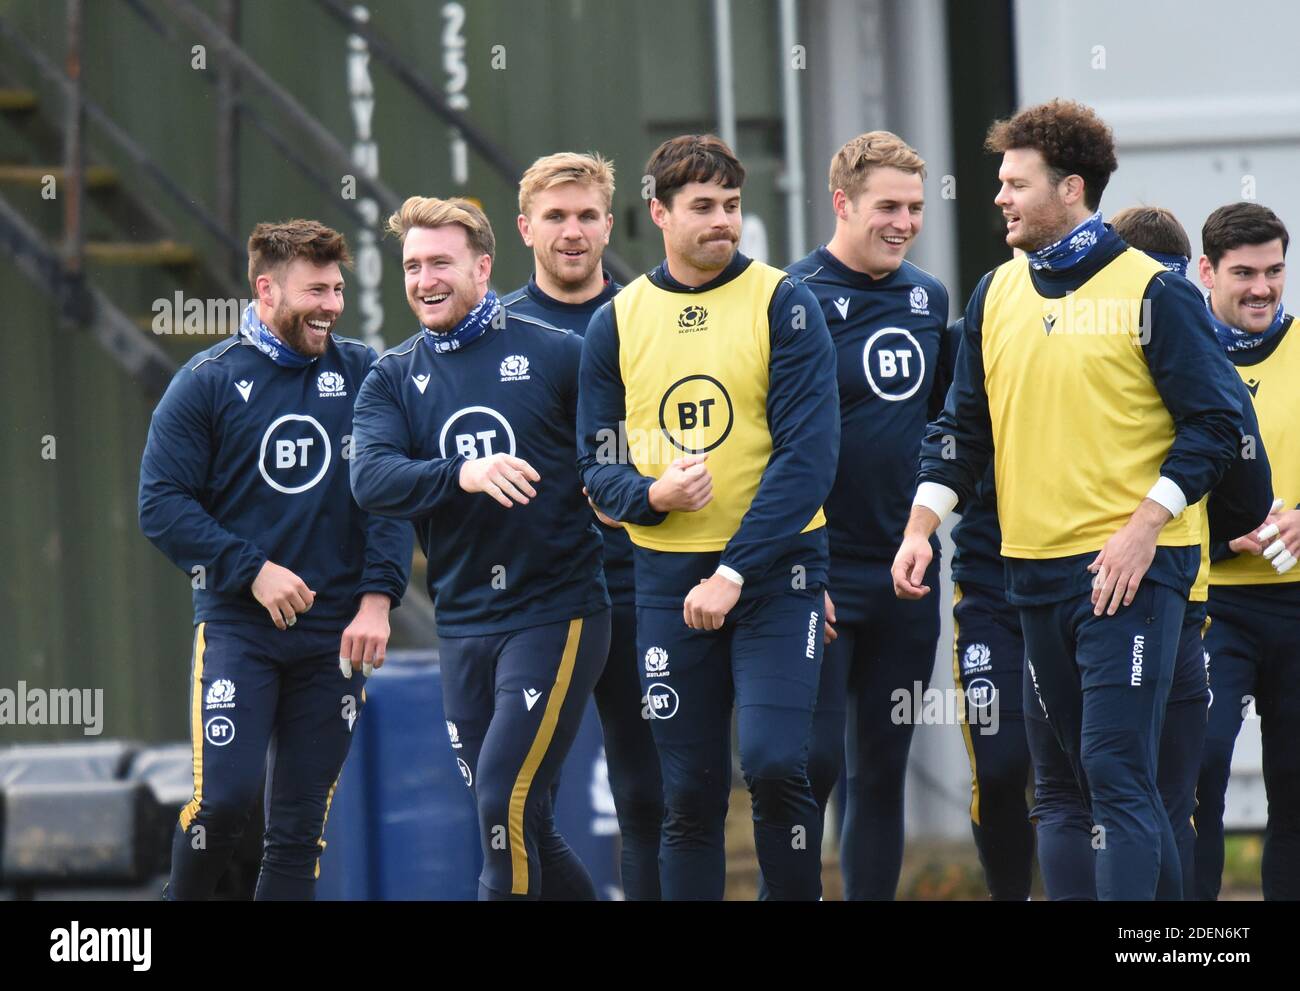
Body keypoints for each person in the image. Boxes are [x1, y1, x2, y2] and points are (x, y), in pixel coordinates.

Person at [892, 99, 1243, 900]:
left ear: (1071, 188)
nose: (999, 197)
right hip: (1029, 576)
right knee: (1058, 789)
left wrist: (1143, 527)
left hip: (1128, 576)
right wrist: (920, 526)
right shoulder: (993, 295)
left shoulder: (1154, 290)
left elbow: (1218, 425)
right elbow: (960, 431)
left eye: (1016, 183)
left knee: (1117, 776)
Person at [577, 134, 839, 900]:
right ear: (659, 213)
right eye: (702, 207)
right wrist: (650, 497)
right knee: (686, 792)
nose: (722, 220)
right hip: (665, 581)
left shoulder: (784, 303)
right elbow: (596, 466)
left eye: (731, 204)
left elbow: (808, 459)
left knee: (774, 762)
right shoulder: (616, 323)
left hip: (776, 573)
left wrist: (733, 569)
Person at [139, 219, 412, 900]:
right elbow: (161, 505)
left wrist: (379, 598)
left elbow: (389, 494)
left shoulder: (364, 373)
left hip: (335, 637)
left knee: (298, 829)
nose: (330, 304)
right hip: (239, 630)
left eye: (338, 288)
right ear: (265, 289)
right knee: (224, 805)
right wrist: (252, 569)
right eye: (315, 288)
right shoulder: (204, 382)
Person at [349, 196, 610, 900]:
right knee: (525, 823)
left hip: (556, 610)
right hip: (462, 623)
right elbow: (370, 477)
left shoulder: (557, 353)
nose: (425, 279)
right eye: (412, 265)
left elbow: (610, 455)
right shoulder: (392, 376)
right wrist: (462, 473)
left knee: (503, 803)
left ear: (483, 266)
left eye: (441, 262)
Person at [784, 131, 950, 899]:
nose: (905, 221)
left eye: (915, 207)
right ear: (842, 202)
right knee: (812, 765)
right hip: (820, 573)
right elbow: (771, 447)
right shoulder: (791, 298)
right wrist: (797, 565)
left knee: (881, 770)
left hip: (907, 570)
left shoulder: (929, 297)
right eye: (888, 205)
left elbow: (949, 428)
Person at [504, 151, 663, 900]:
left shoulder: (649, 315)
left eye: (587, 215)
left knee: (648, 793)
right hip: (534, 599)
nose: (573, 232)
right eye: (556, 217)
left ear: (610, 222)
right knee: (516, 801)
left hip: (638, 583)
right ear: (524, 226)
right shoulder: (492, 329)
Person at [1193, 202, 1300, 901]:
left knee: (1293, 787)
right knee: (1198, 769)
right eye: (1243, 273)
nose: (1262, 287)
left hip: (1295, 604)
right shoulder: (1178, 350)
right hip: (1211, 603)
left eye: (1274, 271)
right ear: (1206, 271)